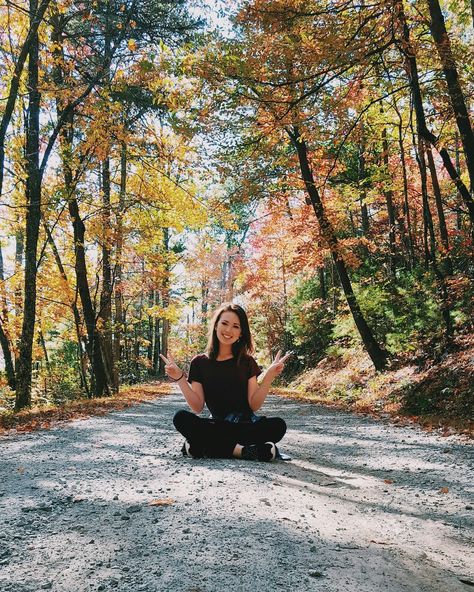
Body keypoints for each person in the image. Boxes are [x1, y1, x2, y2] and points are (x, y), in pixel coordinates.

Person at [160, 303, 290, 462]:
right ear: (216, 326)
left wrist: (269, 376)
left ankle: (202, 446)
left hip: (245, 426)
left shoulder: (247, 362)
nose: (229, 330)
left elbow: (254, 405)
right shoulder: (199, 363)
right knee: (181, 417)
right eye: (224, 323)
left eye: (236, 326)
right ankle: (243, 451)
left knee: (278, 425)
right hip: (216, 424)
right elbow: (197, 407)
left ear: (241, 333)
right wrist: (180, 377)